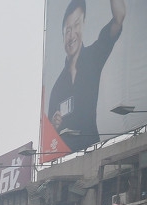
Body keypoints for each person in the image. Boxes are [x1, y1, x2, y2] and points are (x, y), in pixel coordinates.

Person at [48, 0, 126, 153]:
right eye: (67, 30)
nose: (71, 35)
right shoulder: (57, 88)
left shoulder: (93, 57)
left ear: (83, 24)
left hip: (95, 150)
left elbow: (119, 17)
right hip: (66, 160)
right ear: (62, 35)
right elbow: (49, 141)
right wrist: (54, 126)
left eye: (76, 25)